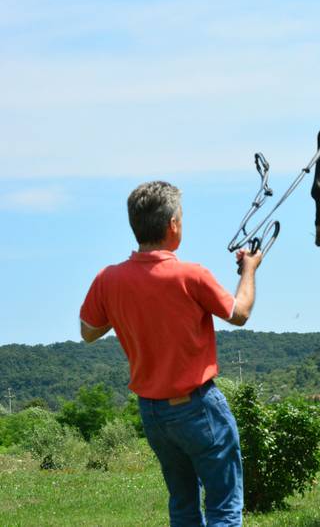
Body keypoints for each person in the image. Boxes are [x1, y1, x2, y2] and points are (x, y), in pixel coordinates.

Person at [79, 180, 262, 527]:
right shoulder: (190, 275)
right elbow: (239, 313)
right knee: (223, 508)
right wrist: (249, 270)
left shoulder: (108, 279)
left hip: (153, 413)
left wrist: (123, 309)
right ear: (173, 225)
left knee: (183, 508)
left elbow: (88, 331)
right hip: (198, 407)